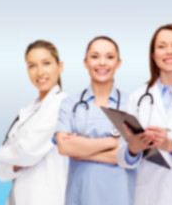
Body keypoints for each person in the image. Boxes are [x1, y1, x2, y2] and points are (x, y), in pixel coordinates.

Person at [116, 24, 172, 205]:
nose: (169, 52)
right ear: (153, 55)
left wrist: (170, 145)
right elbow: (123, 158)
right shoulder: (138, 98)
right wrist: (133, 149)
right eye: (162, 47)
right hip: (150, 195)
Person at [54, 36, 136, 204]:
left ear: (118, 63)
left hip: (121, 196)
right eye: (95, 56)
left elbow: (133, 155)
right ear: (85, 63)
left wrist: (81, 151)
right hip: (81, 195)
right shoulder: (70, 104)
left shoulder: (132, 104)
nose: (102, 63)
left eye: (109, 57)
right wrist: (114, 142)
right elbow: (64, 147)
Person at [0, 40, 69, 205]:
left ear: (60, 66)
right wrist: (11, 161)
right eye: (32, 65)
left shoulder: (62, 105)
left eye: (46, 63)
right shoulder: (26, 113)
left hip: (48, 198)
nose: (39, 72)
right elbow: (0, 172)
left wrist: (1, 155)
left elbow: (27, 152)